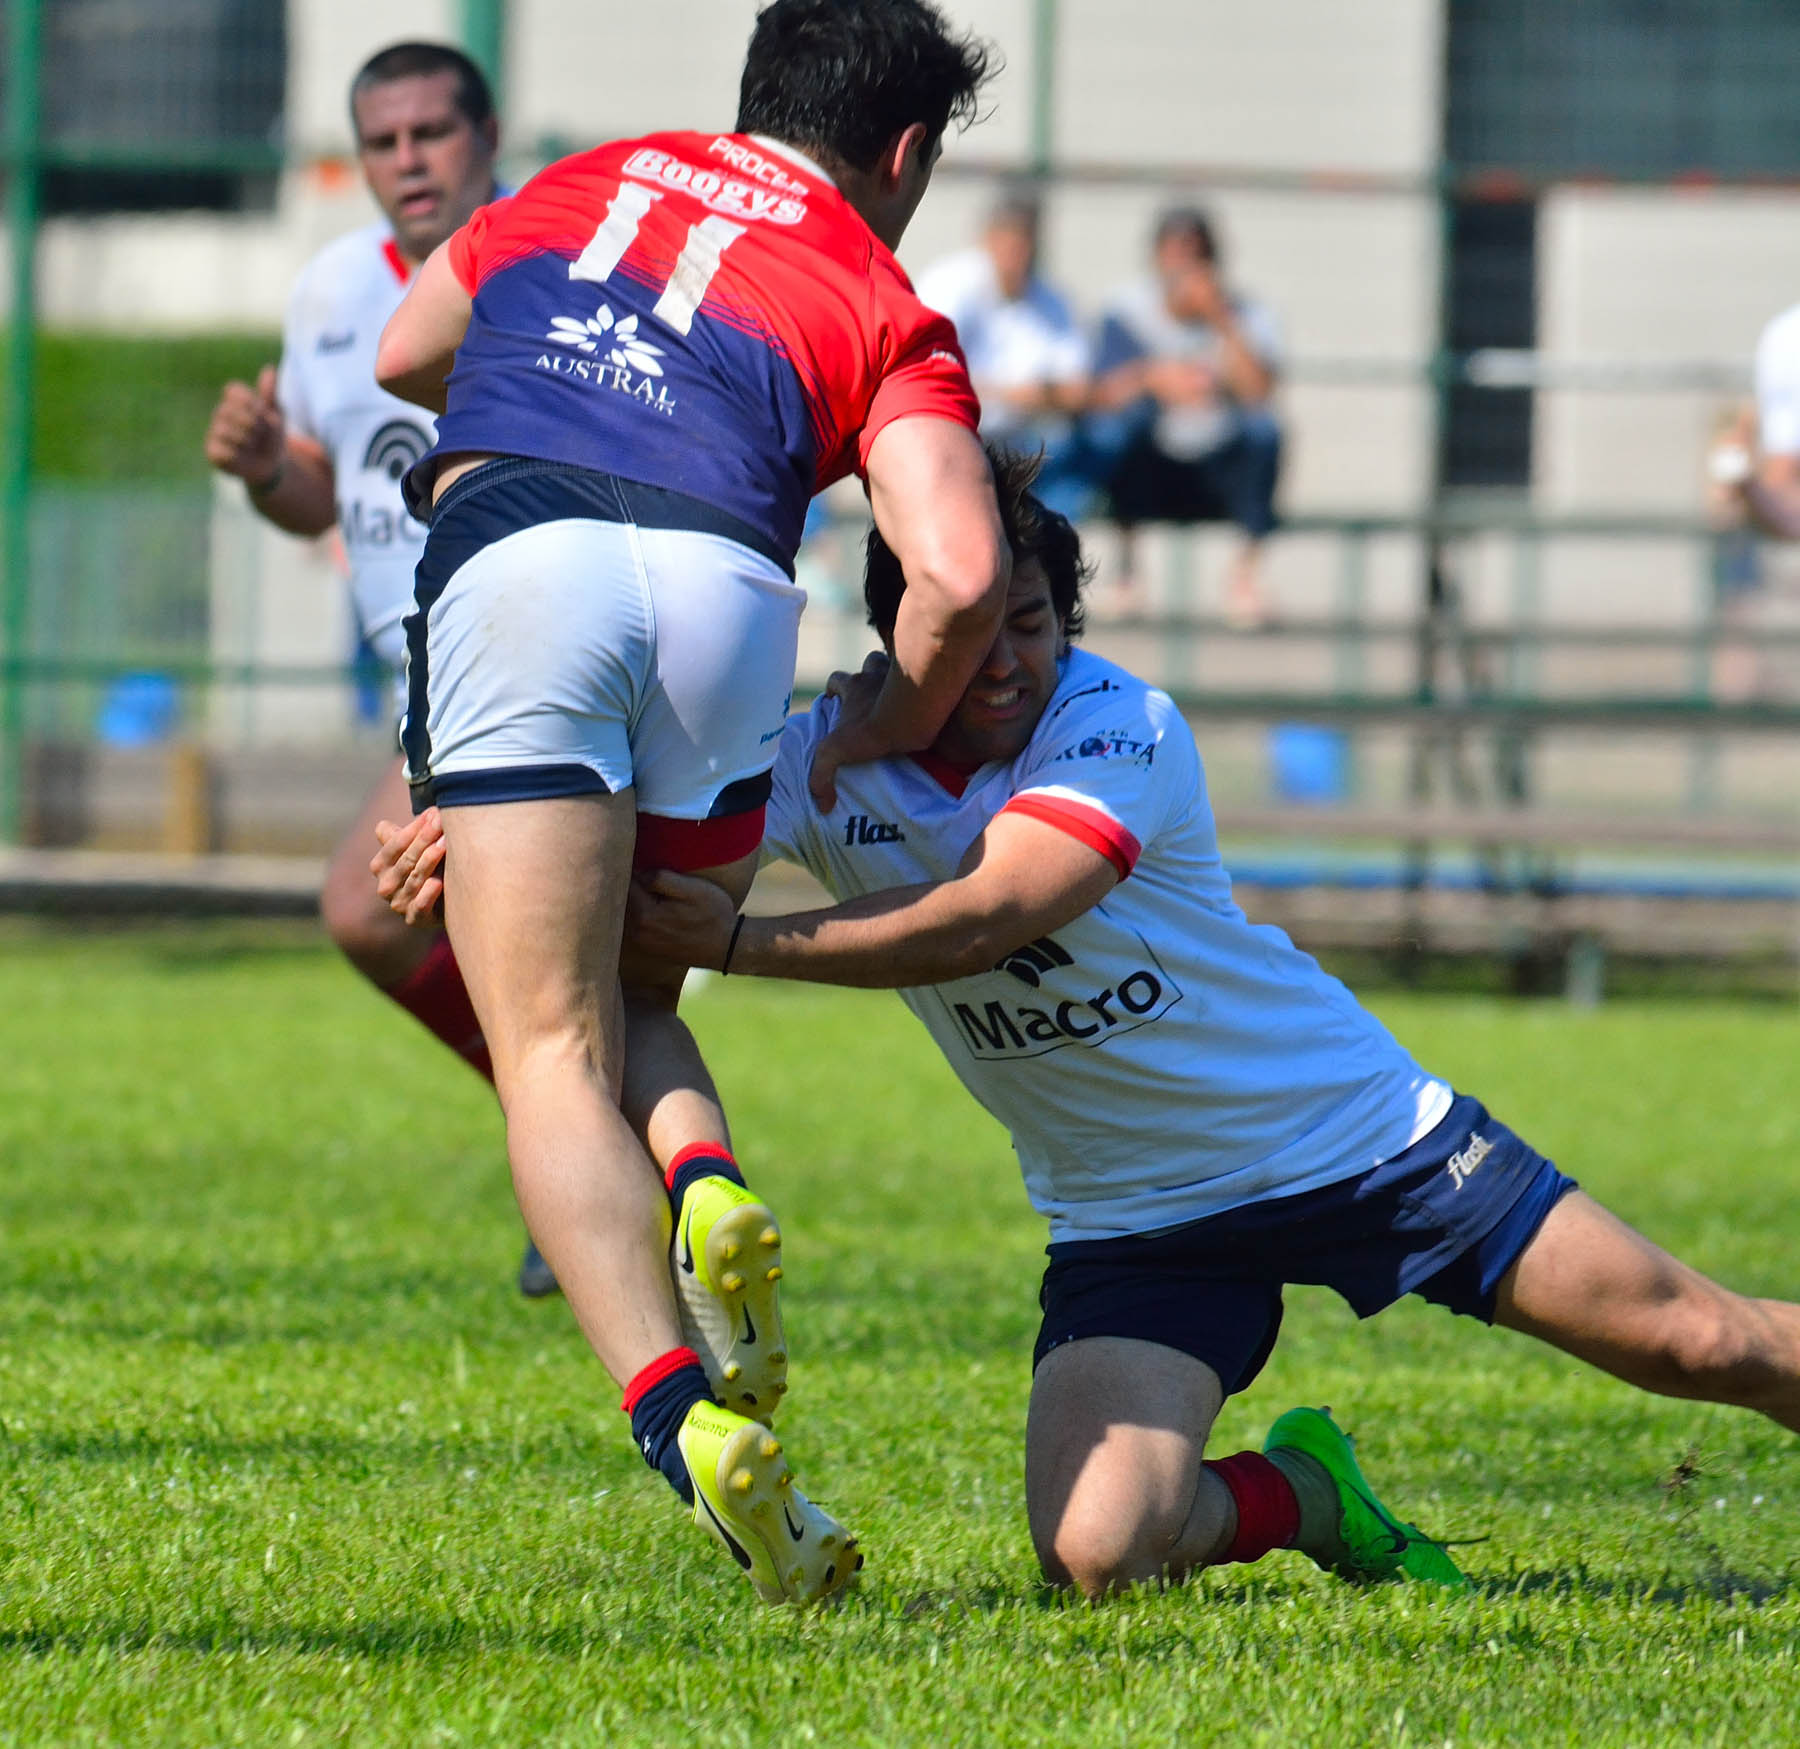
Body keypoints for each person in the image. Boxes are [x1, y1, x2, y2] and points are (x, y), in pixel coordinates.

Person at [386, 450, 1800, 1600]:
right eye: (973, 625)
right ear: (903, 627)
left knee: (1699, 1343)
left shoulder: (1122, 725)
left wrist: (749, 945)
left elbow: (993, 914)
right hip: (1133, 1216)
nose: (1007, 660)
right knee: (1095, 1554)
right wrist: (470, 833)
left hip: (1358, 1141)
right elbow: (620, 865)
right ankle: (1307, 1491)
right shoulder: (818, 764)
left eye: (1036, 623)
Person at [370, 0, 1007, 1606]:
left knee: (546, 1045)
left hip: (521, 546)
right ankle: (708, 1187)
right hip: (727, 579)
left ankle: (682, 1422)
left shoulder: (585, 181)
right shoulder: (880, 286)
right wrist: (887, 723)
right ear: (907, 151)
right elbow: (961, 575)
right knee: (646, 971)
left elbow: (406, 355)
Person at [202, 43, 556, 1297]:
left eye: (430, 134)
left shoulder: (549, 266)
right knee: (454, 934)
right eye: (383, 141)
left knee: (388, 910)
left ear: (487, 132)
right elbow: (320, 497)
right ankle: (595, 1151)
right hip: (423, 684)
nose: (407, 161)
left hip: (526, 657)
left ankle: (589, 1158)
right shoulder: (332, 291)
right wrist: (259, 469)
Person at [1085, 207, 1282, 625]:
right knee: (1121, 429)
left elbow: (1261, 394)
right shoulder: (1127, 309)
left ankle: (1245, 580)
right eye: (1175, 254)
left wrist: (1221, 321)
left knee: (1265, 432)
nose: (1185, 267)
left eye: (1196, 254)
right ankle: (1127, 574)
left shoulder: (1243, 312)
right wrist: (1153, 378)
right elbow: (1100, 393)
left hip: (1219, 461)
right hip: (1155, 462)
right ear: (1157, 258)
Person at [914, 187, 1093, 519]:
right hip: (958, 429)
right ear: (989, 238)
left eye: (1026, 240)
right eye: (1010, 239)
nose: (1019, 252)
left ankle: (1044, 547)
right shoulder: (951, 284)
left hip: (1025, 439)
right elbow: (924, 370)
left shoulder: (1053, 299)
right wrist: (1019, 394)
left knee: (1090, 446)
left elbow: (1078, 392)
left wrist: (1022, 396)